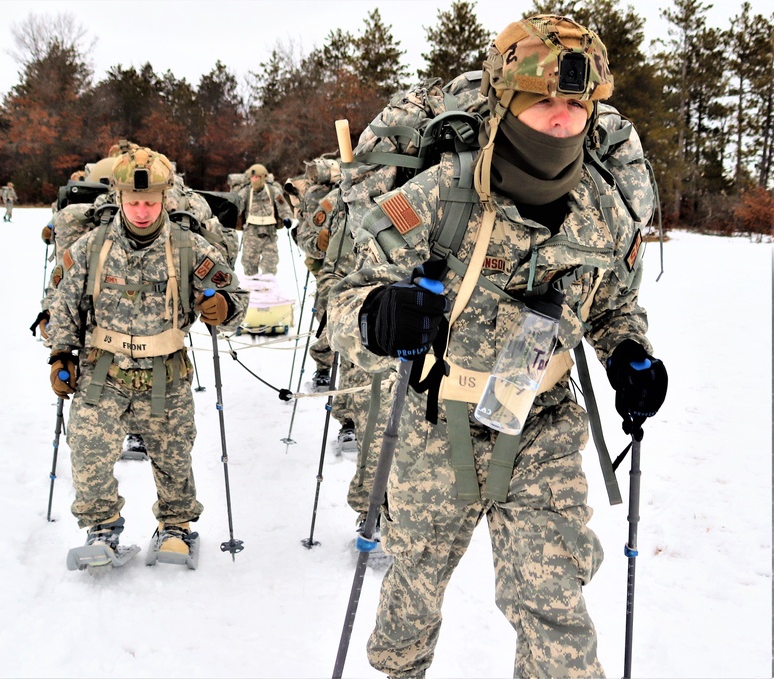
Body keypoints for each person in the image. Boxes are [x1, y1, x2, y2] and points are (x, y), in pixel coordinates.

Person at [327, 15, 668, 678]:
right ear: (505, 100)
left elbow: (611, 304)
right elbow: (348, 288)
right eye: (542, 99)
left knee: (552, 605)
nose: (561, 117)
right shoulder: (438, 191)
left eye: (574, 101)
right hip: (435, 423)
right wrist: (377, 313)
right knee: (411, 594)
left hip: (540, 422)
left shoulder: (603, 205)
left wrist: (628, 353)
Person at [46, 146, 249, 565]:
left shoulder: (188, 247)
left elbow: (235, 297)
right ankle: (102, 527)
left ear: (164, 199)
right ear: (119, 198)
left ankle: (176, 526)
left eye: (150, 202)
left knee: (174, 457)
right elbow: (63, 302)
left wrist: (225, 308)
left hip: (166, 374)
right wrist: (61, 353)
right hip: (103, 371)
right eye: (134, 202)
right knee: (87, 450)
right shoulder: (92, 246)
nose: (142, 211)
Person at [235, 163, 292, 276]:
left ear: (262, 177)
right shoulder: (246, 192)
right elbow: (237, 207)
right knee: (249, 263)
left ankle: (268, 288)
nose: (254, 180)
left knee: (270, 264)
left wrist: (287, 218)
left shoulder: (273, 191)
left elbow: (283, 206)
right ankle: (252, 288)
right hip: (251, 232)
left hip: (269, 232)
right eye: (252, 177)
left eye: (257, 177)